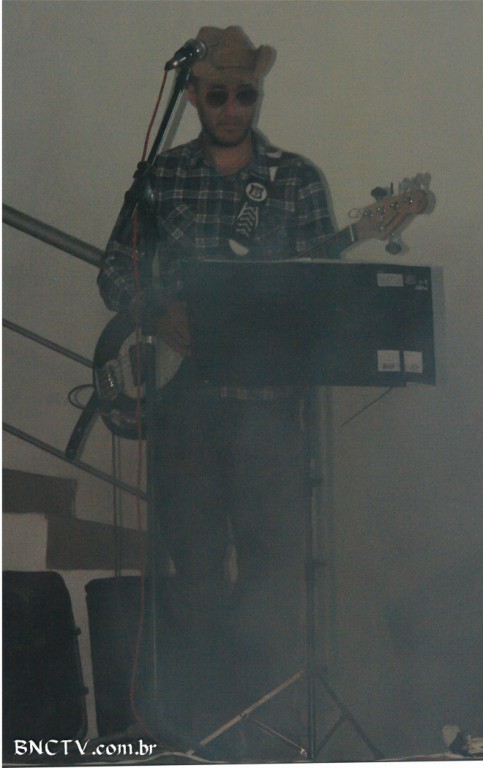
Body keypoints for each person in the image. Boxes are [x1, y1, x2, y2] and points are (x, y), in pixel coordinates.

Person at [98, 26, 345, 760]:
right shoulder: (162, 177)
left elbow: (325, 295)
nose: (233, 108)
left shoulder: (296, 180)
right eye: (218, 95)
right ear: (194, 97)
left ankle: (261, 723)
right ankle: (199, 728)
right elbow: (113, 271)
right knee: (195, 570)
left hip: (272, 410)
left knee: (272, 575)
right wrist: (156, 313)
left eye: (245, 94)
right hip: (188, 411)